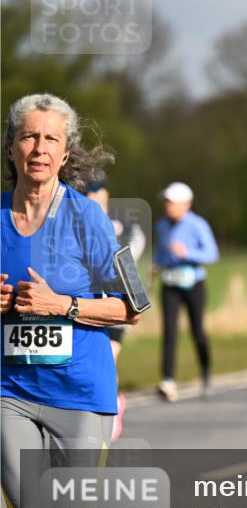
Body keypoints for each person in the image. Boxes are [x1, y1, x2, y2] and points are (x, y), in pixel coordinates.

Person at [1, 93, 162, 508]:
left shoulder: (89, 218)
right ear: (11, 148)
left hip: (79, 389)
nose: (39, 148)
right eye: (29, 136)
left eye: (50, 139)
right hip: (9, 391)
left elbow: (134, 306)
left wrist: (61, 304)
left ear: (65, 154)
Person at [86, 173, 147, 441]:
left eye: (98, 191)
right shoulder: (76, 220)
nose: (93, 195)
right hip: (89, 303)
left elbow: (133, 249)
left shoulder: (123, 222)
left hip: (116, 301)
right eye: (89, 191)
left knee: (108, 359)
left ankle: (111, 408)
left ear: (107, 194)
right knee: (91, 363)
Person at [153, 182, 219, 401]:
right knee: (169, 331)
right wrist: (156, 266)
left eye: (172, 203)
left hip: (194, 283)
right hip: (170, 282)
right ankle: (167, 380)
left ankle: (206, 373)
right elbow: (161, 253)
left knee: (197, 330)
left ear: (186, 204)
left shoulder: (198, 225)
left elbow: (211, 254)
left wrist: (187, 252)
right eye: (167, 202)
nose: (168, 207)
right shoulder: (162, 225)